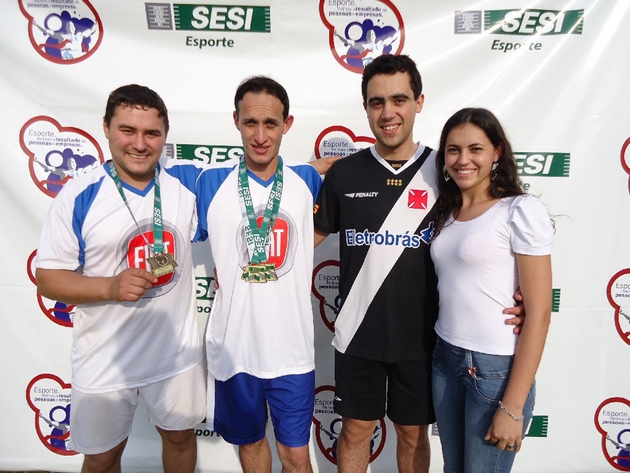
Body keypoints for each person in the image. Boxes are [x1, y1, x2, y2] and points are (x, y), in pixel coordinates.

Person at [313, 54, 525, 473]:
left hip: (425, 340)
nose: (388, 113)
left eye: (399, 100)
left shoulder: (447, 171)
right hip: (356, 334)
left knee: (412, 435)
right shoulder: (344, 174)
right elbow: (299, 245)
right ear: (365, 107)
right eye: (377, 102)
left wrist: (518, 293)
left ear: (419, 102)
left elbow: (489, 230)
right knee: (355, 431)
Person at [35, 84, 206, 473]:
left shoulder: (186, 184)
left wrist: (312, 172)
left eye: (151, 133)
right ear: (106, 128)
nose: (140, 144)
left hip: (174, 355)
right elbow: (47, 279)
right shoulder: (79, 195)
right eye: (128, 130)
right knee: (101, 458)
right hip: (105, 357)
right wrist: (109, 287)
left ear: (165, 135)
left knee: (180, 438)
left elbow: (254, 177)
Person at [195, 76, 322, 473]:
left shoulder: (309, 180)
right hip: (236, 351)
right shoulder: (207, 183)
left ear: (287, 124)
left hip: (292, 353)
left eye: (271, 124)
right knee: (250, 446)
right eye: (251, 122)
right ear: (236, 121)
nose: (261, 136)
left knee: (296, 456)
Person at [430, 107, 553, 473]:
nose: (463, 160)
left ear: (497, 151)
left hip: (494, 370)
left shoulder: (520, 209)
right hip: (445, 358)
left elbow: (539, 313)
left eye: (475, 149)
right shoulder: (447, 210)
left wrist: (512, 407)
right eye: (453, 150)